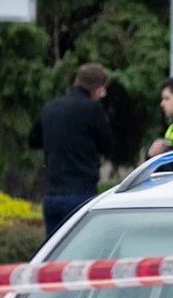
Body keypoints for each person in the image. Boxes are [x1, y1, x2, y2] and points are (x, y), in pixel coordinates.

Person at [29, 62, 118, 238]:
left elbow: (33, 140)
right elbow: (107, 145)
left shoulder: (51, 107)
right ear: (98, 89)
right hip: (81, 195)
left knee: (55, 257)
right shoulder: (92, 109)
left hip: (53, 195)